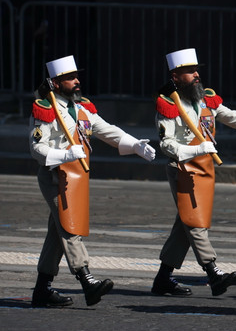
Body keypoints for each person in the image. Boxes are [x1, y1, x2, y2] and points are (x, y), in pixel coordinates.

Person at [29, 55, 156, 308]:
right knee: (69, 225)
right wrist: (63, 154)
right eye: (70, 78)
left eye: (77, 77)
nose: (77, 82)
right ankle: (87, 281)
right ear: (55, 83)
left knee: (58, 232)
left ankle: (42, 289)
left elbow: (107, 130)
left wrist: (135, 145)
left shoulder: (82, 108)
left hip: (77, 176)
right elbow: (36, 147)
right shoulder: (45, 108)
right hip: (56, 175)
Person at [152, 48, 236, 298]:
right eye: (190, 71)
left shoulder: (206, 98)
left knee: (185, 223)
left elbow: (233, 117)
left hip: (206, 166)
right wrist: (194, 148)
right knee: (194, 221)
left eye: (197, 71)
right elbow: (166, 143)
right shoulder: (169, 104)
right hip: (183, 167)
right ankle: (213, 272)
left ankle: (162, 278)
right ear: (175, 75)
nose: (196, 75)